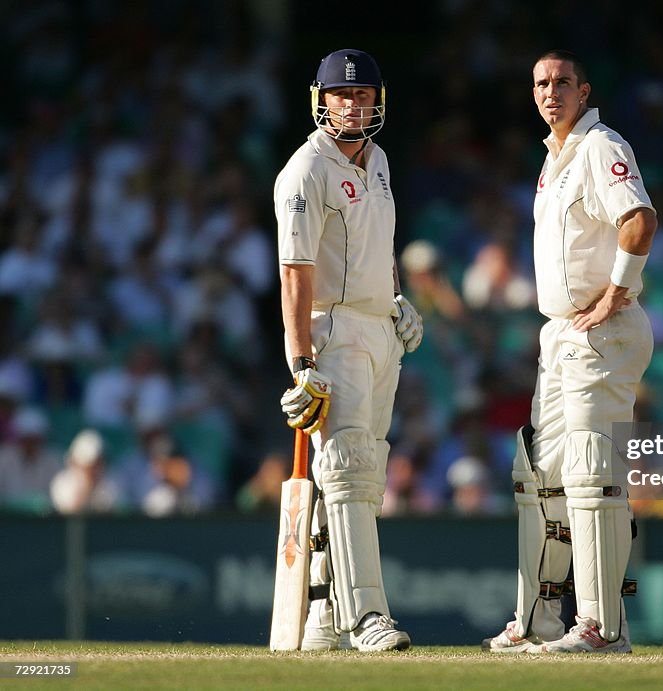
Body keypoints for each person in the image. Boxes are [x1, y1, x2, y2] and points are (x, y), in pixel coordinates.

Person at [483, 50, 657, 654]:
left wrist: (616, 292)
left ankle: (603, 627)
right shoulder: (554, 159)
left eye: (561, 83)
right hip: (560, 332)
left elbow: (639, 220)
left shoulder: (601, 146)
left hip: (601, 330)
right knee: (539, 478)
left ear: (584, 90)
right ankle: (538, 621)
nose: (549, 92)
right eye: (540, 83)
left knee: (590, 472)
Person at [274, 48, 422, 653]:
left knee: (364, 474)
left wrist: (396, 299)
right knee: (349, 471)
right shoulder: (305, 171)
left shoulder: (379, 160)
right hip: (331, 331)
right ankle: (366, 617)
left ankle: (323, 618)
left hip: (377, 328)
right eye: (343, 95)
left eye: (363, 95)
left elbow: (375, 247)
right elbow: (295, 271)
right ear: (321, 100)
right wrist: (302, 361)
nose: (354, 105)